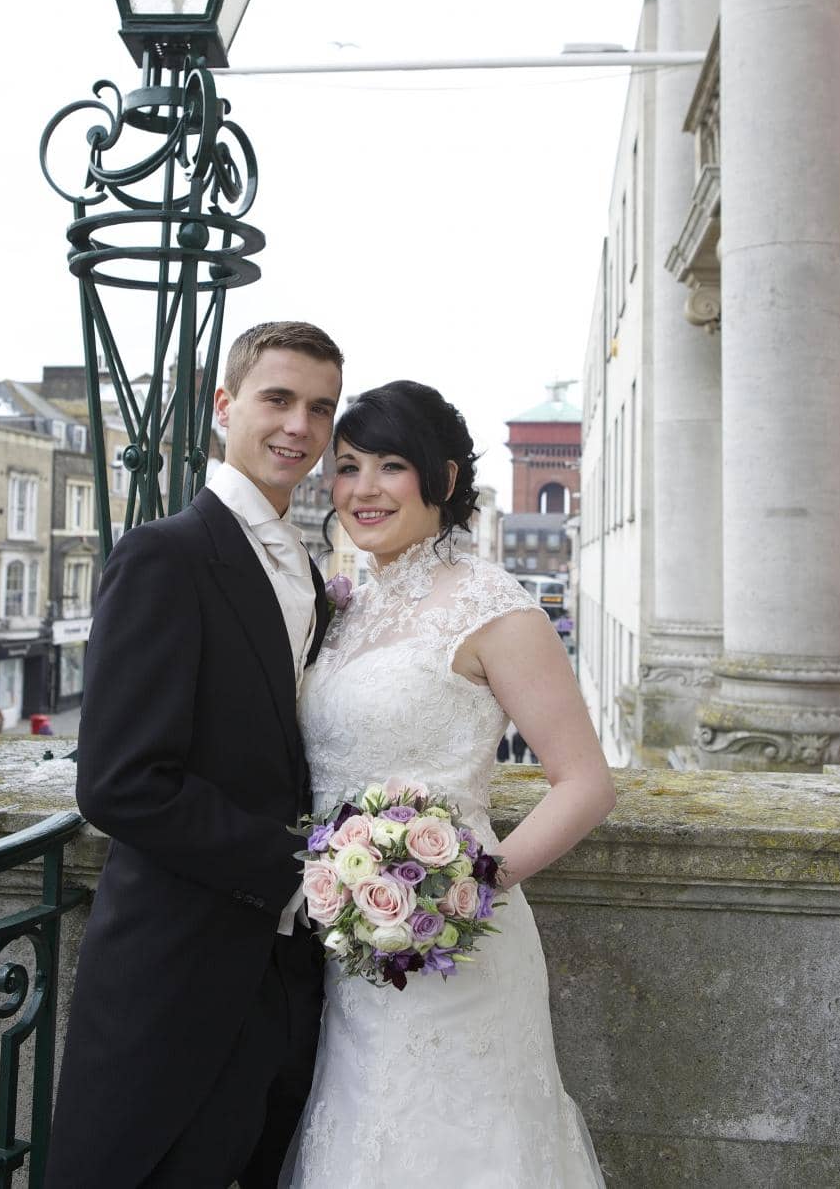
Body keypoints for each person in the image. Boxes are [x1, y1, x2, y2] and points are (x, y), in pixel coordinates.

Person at [285, 381, 615, 1188]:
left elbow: (584, 783)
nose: (362, 489)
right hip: (341, 950)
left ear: (443, 476)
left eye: (390, 466)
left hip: (454, 950)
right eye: (347, 465)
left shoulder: (494, 608)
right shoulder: (345, 604)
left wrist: (465, 886)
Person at [45, 321, 344, 1189]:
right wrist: (308, 867)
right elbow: (119, 783)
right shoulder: (164, 556)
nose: (299, 427)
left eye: (320, 409)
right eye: (278, 399)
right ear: (224, 407)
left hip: (285, 980)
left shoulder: (308, 569)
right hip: (172, 973)